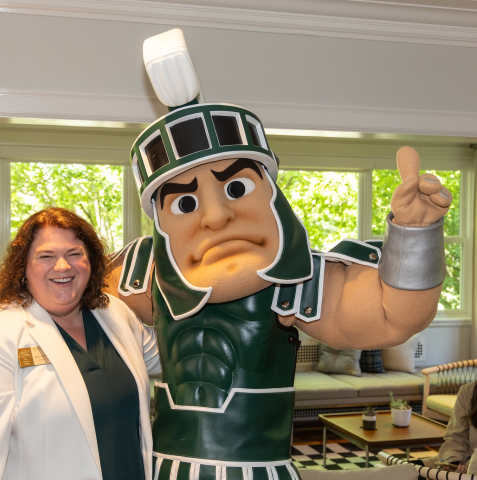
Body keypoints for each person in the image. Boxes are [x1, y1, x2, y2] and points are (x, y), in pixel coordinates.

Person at [107, 29, 451, 480]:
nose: (215, 216)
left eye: (236, 187)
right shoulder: (142, 270)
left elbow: (394, 316)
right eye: (185, 202)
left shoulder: (298, 278)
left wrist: (415, 234)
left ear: (272, 193)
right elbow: (80, 317)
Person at [0, 207, 161, 480]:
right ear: (23, 267)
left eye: (74, 254)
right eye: (46, 256)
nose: (62, 266)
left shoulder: (115, 313)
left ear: (90, 261)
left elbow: (173, 356)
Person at [435, 381, 477, 474]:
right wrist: (453, 462)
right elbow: (456, 437)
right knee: (408, 468)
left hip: (471, 468)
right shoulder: (467, 391)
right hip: (466, 466)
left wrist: (469, 467)